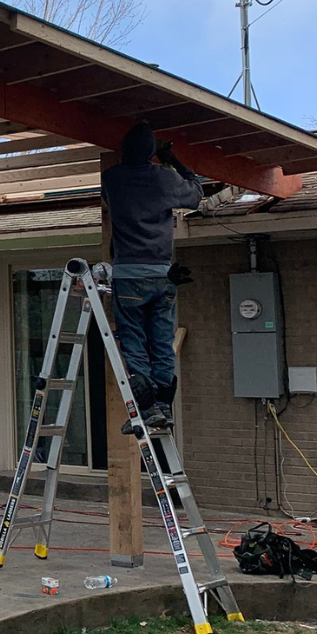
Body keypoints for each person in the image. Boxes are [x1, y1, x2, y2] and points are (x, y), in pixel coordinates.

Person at [101, 121, 203, 430]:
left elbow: (111, 199)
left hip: (128, 274)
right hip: (163, 275)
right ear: (151, 153)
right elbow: (196, 193)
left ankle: (146, 410)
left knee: (133, 341)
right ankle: (162, 406)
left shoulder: (112, 178)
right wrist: (171, 159)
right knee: (161, 342)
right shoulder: (164, 179)